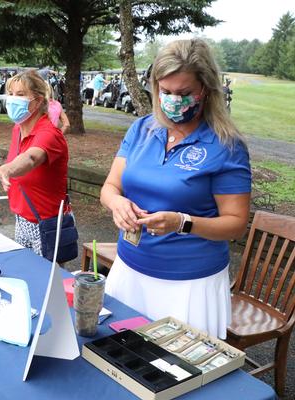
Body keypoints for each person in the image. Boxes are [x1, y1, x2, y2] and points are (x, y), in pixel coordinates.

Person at [100, 38, 251, 339]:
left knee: (177, 373)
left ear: (205, 90)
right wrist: (117, 204)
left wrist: (182, 223)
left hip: (188, 284)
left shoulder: (225, 145)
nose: (172, 100)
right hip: (130, 267)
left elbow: (235, 224)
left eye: (184, 93)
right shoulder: (142, 129)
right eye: (165, 92)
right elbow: (111, 186)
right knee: (121, 355)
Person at [0, 70, 70, 257]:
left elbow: (31, 158)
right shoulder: (17, 129)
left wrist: (5, 169)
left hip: (45, 223)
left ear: (37, 101)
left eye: (20, 95)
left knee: (46, 280)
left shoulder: (49, 133)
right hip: (22, 218)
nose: (12, 100)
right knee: (25, 273)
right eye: (10, 94)